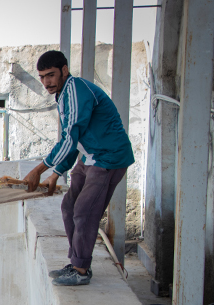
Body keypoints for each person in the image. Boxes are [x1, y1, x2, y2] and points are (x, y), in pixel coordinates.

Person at [23, 50, 134, 286]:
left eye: (51, 75)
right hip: (90, 154)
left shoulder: (75, 89)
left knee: (84, 210)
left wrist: (39, 170)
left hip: (108, 157)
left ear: (65, 70)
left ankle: (81, 270)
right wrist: (56, 173)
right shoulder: (63, 95)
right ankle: (77, 262)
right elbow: (73, 139)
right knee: (69, 206)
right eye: (42, 77)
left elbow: (69, 138)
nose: (46, 82)